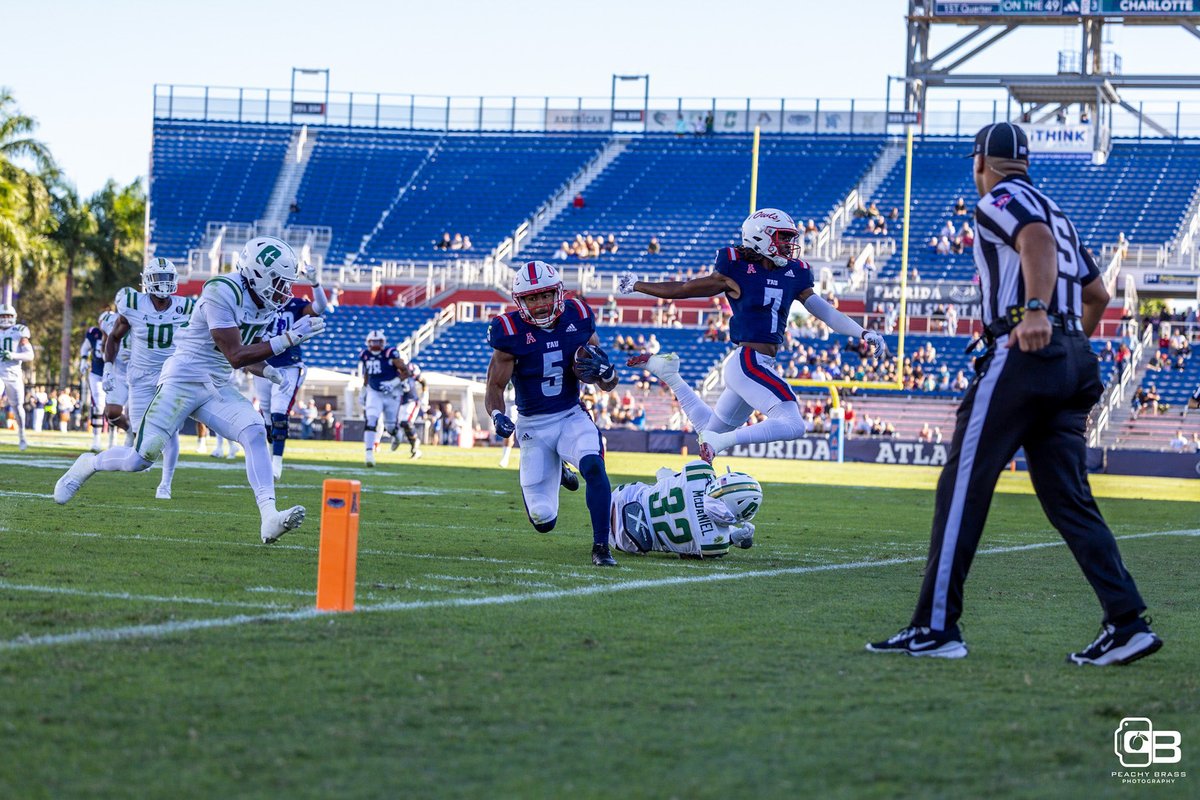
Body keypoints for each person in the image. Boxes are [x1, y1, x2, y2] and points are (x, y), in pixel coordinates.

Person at [867, 122, 1161, 665]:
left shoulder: (999, 199)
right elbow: (1097, 293)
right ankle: (1127, 623)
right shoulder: (1057, 209)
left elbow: (1036, 242)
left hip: (1025, 353)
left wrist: (1035, 314)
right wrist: (1066, 344)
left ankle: (936, 628)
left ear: (982, 161)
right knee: (1070, 501)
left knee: (963, 483)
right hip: (1072, 358)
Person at [54, 236, 324, 545]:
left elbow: (241, 355)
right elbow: (235, 353)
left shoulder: (264, 302)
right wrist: (288, 339)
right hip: (182, 379)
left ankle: (269, 517)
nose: (285, 291)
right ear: (257, 273)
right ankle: (89, 463)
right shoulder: (221, 290)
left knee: (254, 433)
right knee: (140, 459)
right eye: (279, 281)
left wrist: (266, 369)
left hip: (217, 384)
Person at [617, 209, 885, 463]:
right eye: (783, 238)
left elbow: (826, 313)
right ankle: (719, 443)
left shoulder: (795, 273)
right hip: (748, 361)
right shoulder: (737, 267)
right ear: (761, 235)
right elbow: (684, 288)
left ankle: (669, 374)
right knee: (793, 424)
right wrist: (638, 285)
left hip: (754, 364)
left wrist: (862, 332)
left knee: (710, 432)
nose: (789, 245)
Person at [485, 260, 620, 567]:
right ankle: (558, 470)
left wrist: (607, 373)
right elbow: (494, 385)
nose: (541, 303)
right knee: (543, 520)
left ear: (558, 292)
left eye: (545, 295)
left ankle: (601, 547)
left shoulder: (579, 316)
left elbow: (607, 383)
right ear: (520, 301)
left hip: (571, 415)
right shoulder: (508, 332)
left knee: (594, 468)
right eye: (532, 298)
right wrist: (497, 415)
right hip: (533, 425)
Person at [101, 258, 195, 499]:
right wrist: (108, 368)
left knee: (169, 430)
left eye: (167, 278)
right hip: (140, 377)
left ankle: (165, 483)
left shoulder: (187, 306)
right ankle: (95, 462)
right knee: (141, 438)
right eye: (158, 278)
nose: (163, 283)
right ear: (147, 281)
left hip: (171, 375)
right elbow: (113, 338)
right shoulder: (132, 303)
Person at [251, 264, 330, 478]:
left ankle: (277, 462)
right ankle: (269, 458)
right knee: (266, 417)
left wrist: (315, 282)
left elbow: (320, 307)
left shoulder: (294, 305)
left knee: (279, 414)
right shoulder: (259, 303)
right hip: (262, 365)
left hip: (288, 365)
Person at [609, 459, 760, 558]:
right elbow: (688, 555)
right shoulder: (716, 544)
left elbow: (662, 472)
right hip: (626, 541)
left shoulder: (700, 471)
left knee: (664, 478)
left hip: (621, 498)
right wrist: (732, 538)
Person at [357, 330, 413, 467]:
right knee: (371, 420)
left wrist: (393, 382)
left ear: (383, 343)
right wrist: (363, 390)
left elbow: (406, 372)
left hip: (392, 393)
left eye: (378, 342)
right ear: (368, 343)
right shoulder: (364, 355)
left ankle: (397, 434)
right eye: (373, 342)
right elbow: (366, 374)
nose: (375, 345)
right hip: (374, 392)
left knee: (389, 427)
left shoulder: (390, 354)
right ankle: (369, 454)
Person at [0, 302, 33, 451]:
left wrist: (12, 355)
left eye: (8, 315)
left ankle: (22, 435)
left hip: (13, 374)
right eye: (3, 315)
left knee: (17, 407)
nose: (6, 318)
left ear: (14, 317)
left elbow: (30, 355)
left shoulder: (19, 331)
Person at [79, 315, 109, 452]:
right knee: (99, 406)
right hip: (96, 373)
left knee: (114, 408)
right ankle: (96, 440)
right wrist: (83, 360)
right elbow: (85, 347)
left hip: (114, 375)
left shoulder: (121, 332)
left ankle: (113, 439)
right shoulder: (94, 333)